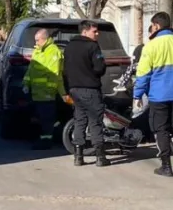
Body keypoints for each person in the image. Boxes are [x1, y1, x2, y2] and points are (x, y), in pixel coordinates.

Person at [133, 12, 173, 177]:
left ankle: (166, 166)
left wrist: (138, 95)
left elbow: (143, 74)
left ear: (156, 26)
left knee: (160, 129)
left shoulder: (150, 46)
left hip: (158, 96)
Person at [63, 20, 109, 167]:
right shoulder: (92, 46)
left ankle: (78, 156)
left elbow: (65, 69)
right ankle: (100, 157)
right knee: (95, 121)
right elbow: (100, 68)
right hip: (90, 89)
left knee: (79, 121)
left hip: (74, 89)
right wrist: (92, 73)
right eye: (94, 31)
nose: (97, 34)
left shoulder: (69, 47)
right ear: (85, 31)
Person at [23, 28, 66, 150]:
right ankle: (58, 133)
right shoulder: (37, 51)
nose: (35, 43)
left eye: (37, 40)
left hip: (47, 93)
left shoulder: (53, 52)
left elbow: (54, 74)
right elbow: (30, 70)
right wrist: (26, 84)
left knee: (46, 119)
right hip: (36, 93)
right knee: (43, 118)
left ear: (45, 39)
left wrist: (52, 91)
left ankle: (46, 142)